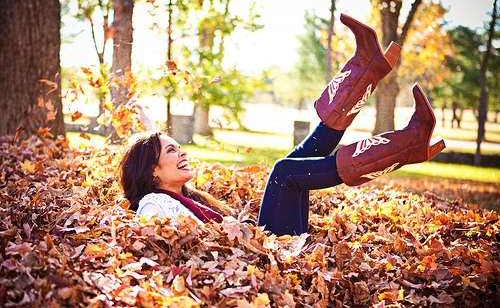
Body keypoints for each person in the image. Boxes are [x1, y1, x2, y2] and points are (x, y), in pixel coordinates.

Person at [119, 13, 446, 236]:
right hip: (259, 265)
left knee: (299, 159)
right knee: (285, 172)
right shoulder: (153, 204)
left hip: (259, 251)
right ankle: (408, 142)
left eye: (177, 146)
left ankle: (366, 70)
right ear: (152, 172)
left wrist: (150, 126)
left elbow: (154, 152)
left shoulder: (187, 198)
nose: (181, 152)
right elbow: (160, 243)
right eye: (171, 151)